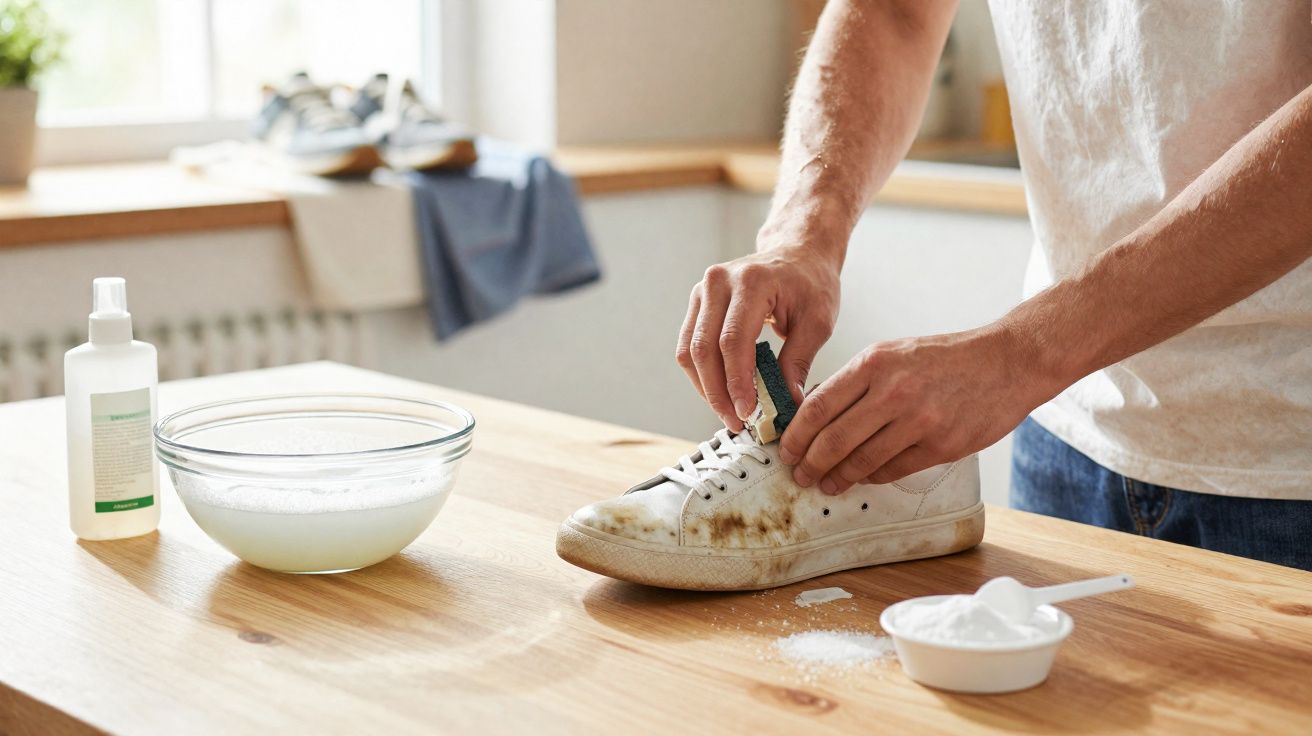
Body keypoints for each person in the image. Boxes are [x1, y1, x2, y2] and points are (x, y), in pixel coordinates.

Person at [675, 0, 1312, 570]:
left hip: (1290, 463)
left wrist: (1022, 353)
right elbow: (896, 12)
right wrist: (802, 232)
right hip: (1067, 429)